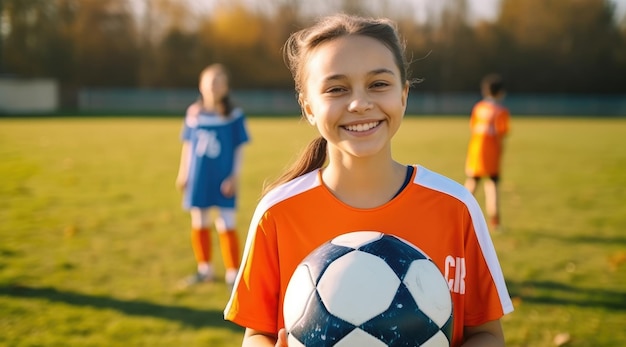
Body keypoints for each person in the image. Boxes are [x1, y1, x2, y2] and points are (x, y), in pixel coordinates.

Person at [224, 14, 513, 347]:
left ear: (403, 94)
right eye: (336, 89)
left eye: (378, 84)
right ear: (308, 108)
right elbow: (256, 334)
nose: (360, 103)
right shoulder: (276, 213)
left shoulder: (456, 207)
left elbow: (487, 335)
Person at [175, 63, 250, 288]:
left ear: (225, 87)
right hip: (199, 176)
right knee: (199, 220)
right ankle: (204, 269)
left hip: (224, 178)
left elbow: (239, 149)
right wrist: (183, 173)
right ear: (201, 85)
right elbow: (188, 146)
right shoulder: (194, 114)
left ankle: (232, 273)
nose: (213, 86)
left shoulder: (234, 115)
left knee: (226, 223)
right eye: (209, 82)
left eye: (219, 82)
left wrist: (234, 176)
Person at [463, 74, 510, 231]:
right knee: (492, 186)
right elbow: (501, 133)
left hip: (475, 151)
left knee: (472, 183)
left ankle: (457, 212)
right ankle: (495, 221)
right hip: (491, 154)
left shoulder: (479, 107)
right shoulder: (500, 111)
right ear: (500, 92)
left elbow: (472, 127)